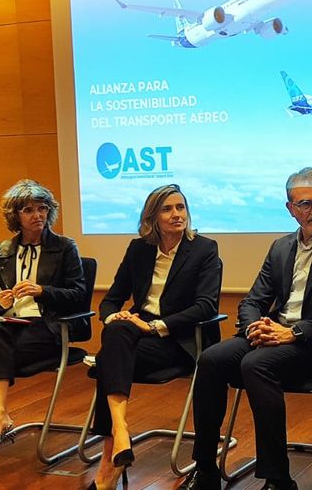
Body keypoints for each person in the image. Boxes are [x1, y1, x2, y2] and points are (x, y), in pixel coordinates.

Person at [178, 168, 312, 490]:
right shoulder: (281, 247)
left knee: (255, 364)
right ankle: (206, 469)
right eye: (306, 204)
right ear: (290, 208)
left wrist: (293, 333)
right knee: (211, 359)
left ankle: (277, 479)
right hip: (274, 335)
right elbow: (254, 299)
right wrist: (256, 326)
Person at [87, 184, 222, 490]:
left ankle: (110, 458)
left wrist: (155, 326)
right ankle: (119, 432)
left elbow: (205, 306)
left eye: (181, 207)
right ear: (152, 217)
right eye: (167, 209)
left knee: (110, 356)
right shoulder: (139, 249)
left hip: (179, 340)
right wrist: (114, 315)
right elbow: (111, 300)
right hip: (138, 334)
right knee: (117, 330)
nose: (177, 215)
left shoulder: (204, 248)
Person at [0, 180, 88, 485]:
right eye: (28, 210)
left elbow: (79, 294)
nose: (37, 215)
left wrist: (43, 291)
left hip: (49, 328)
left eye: (42, 208)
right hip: (10, 327)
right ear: (15, 215)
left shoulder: (65, 247)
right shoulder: (3, 250)